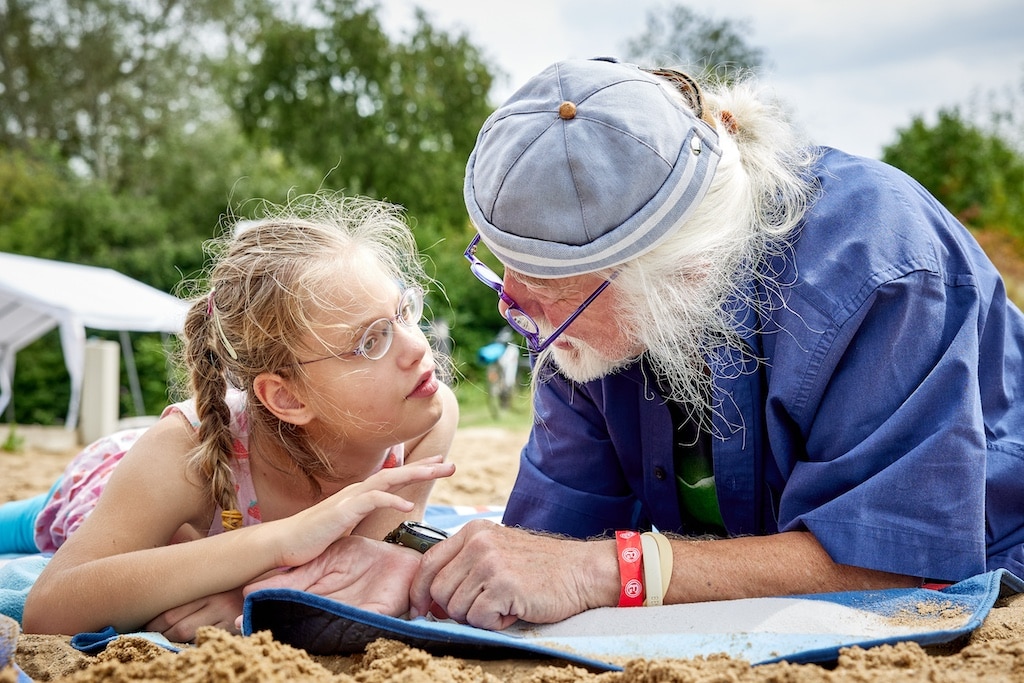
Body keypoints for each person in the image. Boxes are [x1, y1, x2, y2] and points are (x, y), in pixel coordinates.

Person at [398, 57, 1024, 629]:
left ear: (683, 272)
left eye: (547, 283)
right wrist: (418, 572)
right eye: (501, 263)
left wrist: (610, 570)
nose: (511, 304)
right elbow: (543, 549)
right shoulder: (580, 326)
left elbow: (894, 563)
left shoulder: (876, 266)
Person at [10, 193, 458, 640]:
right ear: (287, 398)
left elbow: (364, 551)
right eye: (370, 342)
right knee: (25, 524)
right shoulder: (185, 457)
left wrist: (247, 590)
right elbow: (50, 611)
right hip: (111, 480)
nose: (418, 346)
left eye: (403, 312)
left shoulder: (426, 422)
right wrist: (279, 544)